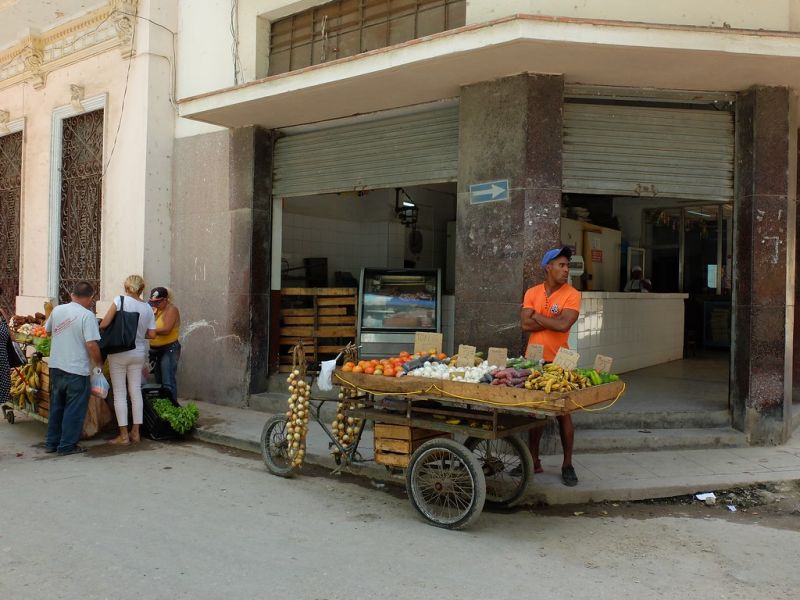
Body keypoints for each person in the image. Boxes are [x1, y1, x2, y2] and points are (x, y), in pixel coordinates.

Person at [520, 247, 582, 486]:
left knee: (563, 413)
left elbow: (563, 325)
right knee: (534, 412)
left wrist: (537, 316)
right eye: (561, 265)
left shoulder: (572, 294)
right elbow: (524, 325)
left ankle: (567, 464)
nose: (566, 269)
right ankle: (533, 461)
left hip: (560, 361)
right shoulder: (532, 292)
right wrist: (548, 321)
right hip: (533, 360)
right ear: (549, 267)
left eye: (567, 265)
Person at [44, 281, 103, 456]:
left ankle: (51, 443)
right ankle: (67, 446)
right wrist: (99, 364)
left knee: (57, 406)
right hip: (76, 369)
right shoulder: (87, 316)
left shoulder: (57, 310)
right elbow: (92, 344)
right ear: (91, 298)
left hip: (56, 366)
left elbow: (47, 331)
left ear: (72, 294)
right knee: (74, 409)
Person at [99, 275, 156, 445]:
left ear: (126, 287)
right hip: (138, 352)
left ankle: (123, 436)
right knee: (135, 391)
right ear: (141, 288)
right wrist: (138, 334)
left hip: (119, 352)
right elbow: (152, 334)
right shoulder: (147, 307)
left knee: (120, 393)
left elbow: (104, 324)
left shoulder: (120, 300)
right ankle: (136, 433)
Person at [148, 287, 181, 400]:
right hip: (155, 350)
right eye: (153, 302)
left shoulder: (171, 309)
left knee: (168, 382)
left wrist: (149, 331)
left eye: (158, 302)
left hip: (169, 349)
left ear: (165, 300)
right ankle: (163, 409)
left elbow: (166, 330)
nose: (155, 304)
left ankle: (172, 409)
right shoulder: (154, 309)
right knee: (159, 382)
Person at [0, 313, 12, 409]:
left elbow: (12, 338)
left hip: (3, 355)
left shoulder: (3, 322)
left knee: (5, 380)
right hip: (3, 355)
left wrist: (4, 314)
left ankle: (3, 400)